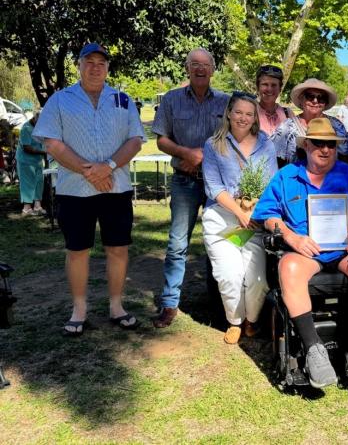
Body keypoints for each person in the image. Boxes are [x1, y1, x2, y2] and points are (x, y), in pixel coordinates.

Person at [252, 118, 348, 402]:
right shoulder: (286, 176)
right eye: (318, 143)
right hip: (308, 251)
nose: (325, 149)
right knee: (288, 265)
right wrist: (291, 237)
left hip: (346, 249)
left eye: (331, 144)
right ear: (306, 145)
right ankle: (313, 348)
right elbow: (266, 215)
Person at [32, 43, 145, 335]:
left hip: (115, 188)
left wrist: (107, 167)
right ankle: (79, 309)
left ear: (108, 68)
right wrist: (89, 170)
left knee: (118, 248)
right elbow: (52, 143)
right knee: (77, 250)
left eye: (101, 63)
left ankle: (116, 306)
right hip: (74, 190)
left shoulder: (122, 99)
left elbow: (135, 140)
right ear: (79, 65)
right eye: (89, 62)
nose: (96, 67)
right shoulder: (59, 100)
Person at [152, 48, 230, 328]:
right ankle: (170, 303)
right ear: (186, 68)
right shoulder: (171, 99)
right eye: (194, 64)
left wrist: (202, 157)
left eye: (205, 64)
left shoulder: (226, 101)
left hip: (217, 184)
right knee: (177, 244)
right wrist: (185, 153)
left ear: (212, 69)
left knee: (219, 242)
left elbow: (236, 138)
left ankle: (220, 303)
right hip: (184, 182)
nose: (200, 69)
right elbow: (161, 140)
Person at [202, 92, 277, 344]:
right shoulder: (214, 145)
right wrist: (239, 212)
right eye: (239, 112)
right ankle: (234, 320)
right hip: (223, 219)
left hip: (254, 220)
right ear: (229, 114)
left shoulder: (266, 144)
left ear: (255, 117)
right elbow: (214, 187)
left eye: (249, 113)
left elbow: (271, 183)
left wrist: (254, 213)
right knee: (229, 275)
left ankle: (251, 321)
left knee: (256, 279)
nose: (243, 118)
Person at [270, 78, 348, 166]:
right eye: (310, 96)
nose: (315, 101)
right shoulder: (286, 128)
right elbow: (274, 161)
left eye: (321, 98)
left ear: (326, 102)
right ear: (301, 99)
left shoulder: (337, 126)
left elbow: (346, 158)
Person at [16, 111, 47, 216]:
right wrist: (44, 152)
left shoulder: (40, 127)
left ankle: (37, 206)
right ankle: (27, 208)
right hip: (25, 161)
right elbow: (27, 148)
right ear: (34, 119)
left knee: (39, 182)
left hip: (37, 160)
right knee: (28, 183)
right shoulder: (26, 128)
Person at [255, 65, 292, 136]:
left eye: (274, 85)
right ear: (258, 87)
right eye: (265, 84)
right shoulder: (249, 112)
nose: (269, 89)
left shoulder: (288, 114)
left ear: (280, 89)